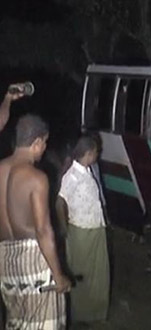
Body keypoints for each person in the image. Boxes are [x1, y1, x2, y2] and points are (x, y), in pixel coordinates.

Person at [0, 114, 71, 329]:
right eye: (45, 143)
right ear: (37, 142)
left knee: (17, 320)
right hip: (34, 260)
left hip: (4, 259)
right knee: (44, 321)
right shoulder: (36, 178)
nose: (44, 149)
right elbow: (43, 231)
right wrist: (58, 277)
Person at [56, 135, 109, 324]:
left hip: (95, 228)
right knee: (82, 274)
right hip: (81, 231)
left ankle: (95, 312)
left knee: (98, 273)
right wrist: (65, 228)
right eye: (96, 152)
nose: (98, 154)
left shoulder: (87, 171)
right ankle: (81, 314)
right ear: (88, 153)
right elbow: (60, 201)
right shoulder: (72, 175)